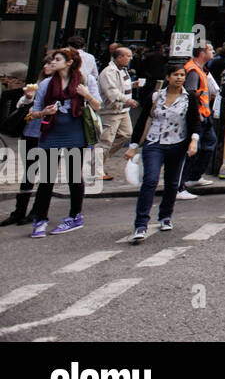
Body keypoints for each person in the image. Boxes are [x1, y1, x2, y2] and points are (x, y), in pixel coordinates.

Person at [29, 48, 102, 238]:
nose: (52, 62)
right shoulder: (46, 84)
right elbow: (33, 113)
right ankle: (40, 219)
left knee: (73, 175)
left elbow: (98, 106)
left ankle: (75, 216)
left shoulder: (86, 80)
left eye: (57, 59)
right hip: (51, 132)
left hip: (76, 132)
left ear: (69, 62)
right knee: (46, 178)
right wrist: (45, 112)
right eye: (52, 59)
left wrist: (86, 95)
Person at [125, 64, 201, 241]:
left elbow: (194, 121)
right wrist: (133, 145)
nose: (180, 78)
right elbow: (143, 121)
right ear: (168, 77)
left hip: (178, 143)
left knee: (172, 183)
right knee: (150, 180)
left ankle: (165, 216)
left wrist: (194, 141)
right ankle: (141, 224)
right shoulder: (155, 96)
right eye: (176, 74)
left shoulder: (189, 97)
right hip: (154, 143)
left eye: (182, 75)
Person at [2, 56, 53, 227]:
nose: (47, 66)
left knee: (46, 176)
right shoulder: (38, 83)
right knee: (29, 174)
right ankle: (19, 211)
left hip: (50, 135)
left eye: (52, 62)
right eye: (45, 63)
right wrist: (28, 98)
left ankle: (37, 211)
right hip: (31, 132)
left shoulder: (62, 86)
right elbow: (20, 108)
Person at [176, 42, 215, 199]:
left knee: (209, 144)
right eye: (210, 50)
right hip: (198, 115)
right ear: (202, 52)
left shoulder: (199, 69)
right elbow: (191, 93)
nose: (213, 52)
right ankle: (180, 185)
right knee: (191, 150)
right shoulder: (192, 70)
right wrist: (196, 112)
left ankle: (193, 177)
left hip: (204, 115)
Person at [96, 46, 139, 181]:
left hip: (122, 110)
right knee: (105, 140)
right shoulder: (108, 72)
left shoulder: (122, 71)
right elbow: (112, 92)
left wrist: (132, 85)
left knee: (126, 134)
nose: (130, 58)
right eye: (128, 56)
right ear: (119, 57)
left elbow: (120, 86)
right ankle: (95, 169)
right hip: (112, 111)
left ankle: (98, 161)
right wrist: (128, 100)